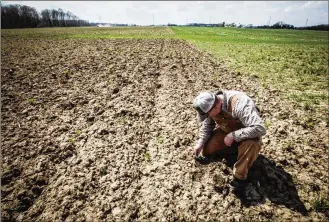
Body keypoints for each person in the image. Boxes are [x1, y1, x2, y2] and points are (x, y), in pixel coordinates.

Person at [193, 90, 266, 192]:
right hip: (227, 130)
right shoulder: (210, 105)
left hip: (249, 134)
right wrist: (201, 142)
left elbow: (260, 128)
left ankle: (239, 177)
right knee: (207, 150)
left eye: (208, 115)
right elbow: (207, 125)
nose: (208, 116)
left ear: (217, 105)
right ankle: (236, 151)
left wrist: (233, 135)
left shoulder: (241, 104)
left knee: (251, 144)